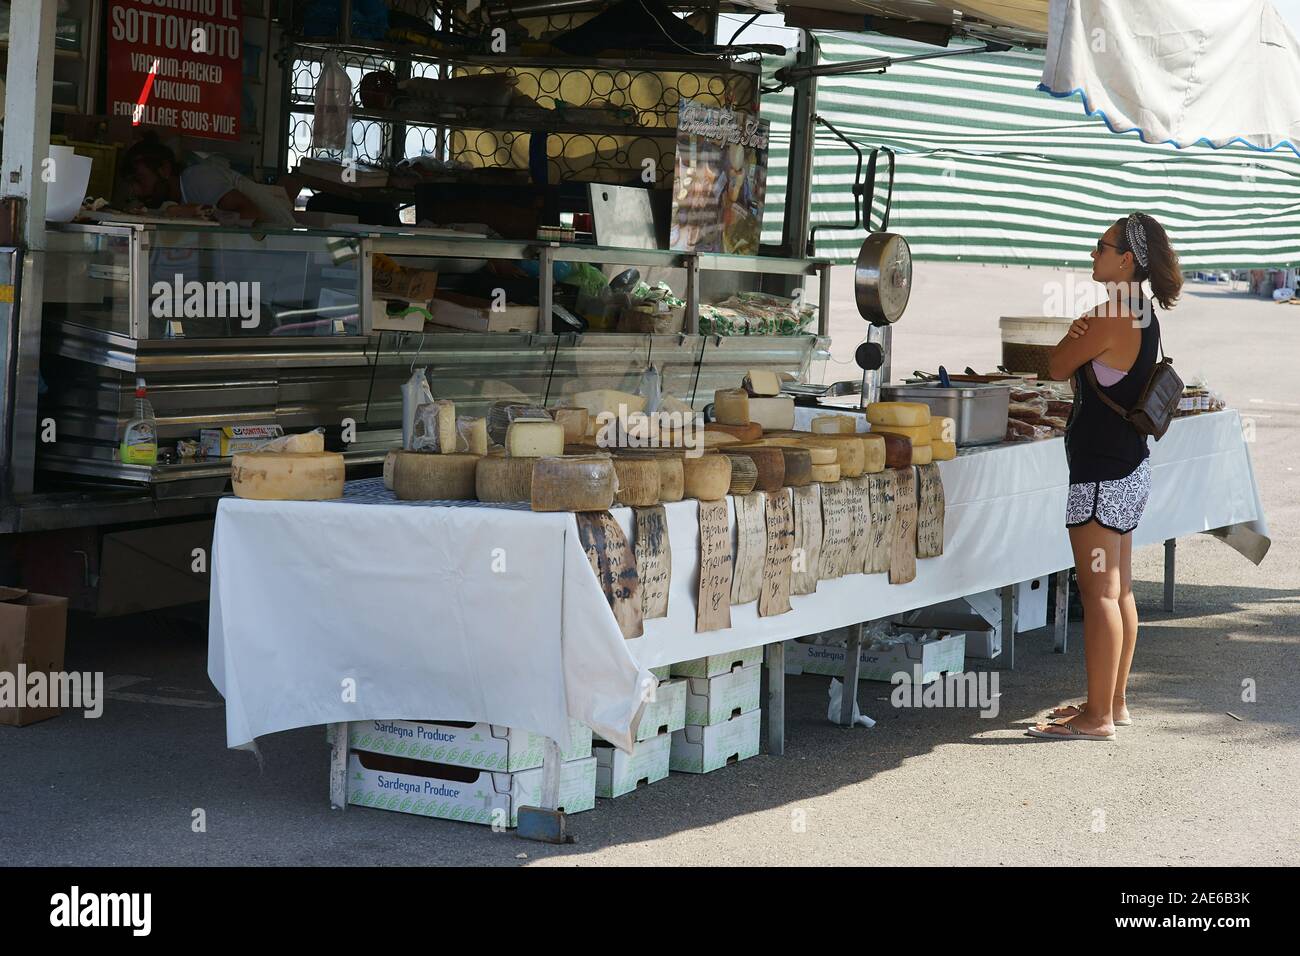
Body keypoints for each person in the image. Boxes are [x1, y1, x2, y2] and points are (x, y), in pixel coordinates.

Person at [1028, 212, 1182, 741]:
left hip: (1100, 471)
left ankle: (1097, 717)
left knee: (1097, 594)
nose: (1093, 254)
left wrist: (1078, 334)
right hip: (1128, 465)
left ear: (1127, 259)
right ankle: (1111, 704)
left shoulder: (1112, 313)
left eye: (1101, 246)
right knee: (1119, 592)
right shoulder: (1143, 312)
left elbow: (1055, 364)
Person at [121, 132, 299, 226]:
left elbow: (251, 215)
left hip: (283, 248)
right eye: (132, 184)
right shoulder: (180, 196)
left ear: (165, 170)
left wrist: (195, 213)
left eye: (140, 180)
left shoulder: (196, 178)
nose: (136, 190)